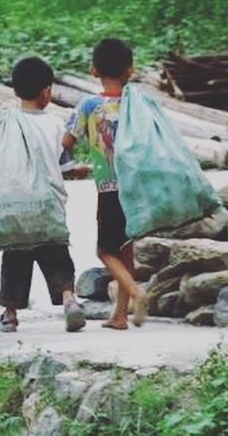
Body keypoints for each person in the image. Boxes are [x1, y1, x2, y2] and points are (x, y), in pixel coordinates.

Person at [0, 56, 87, 333]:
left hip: (15, 205)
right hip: (48, 207)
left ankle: (9, 315)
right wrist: (84, 169)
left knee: (15, 258)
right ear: (47, 91)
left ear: (14, 90)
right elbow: (67, 167)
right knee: (56, 254)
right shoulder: (56, 125)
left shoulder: (5, 124)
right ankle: (69, 301)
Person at [64, 38, 147, 330]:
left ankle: (137, 294)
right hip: (135, 188)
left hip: (109, 189)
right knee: (126, 250)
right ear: (130, 70)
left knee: (105, 252)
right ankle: (120, 316)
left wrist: (73, 163)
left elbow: (66, 142)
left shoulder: (89, 105)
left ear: (93, 69)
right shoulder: (136, 104)